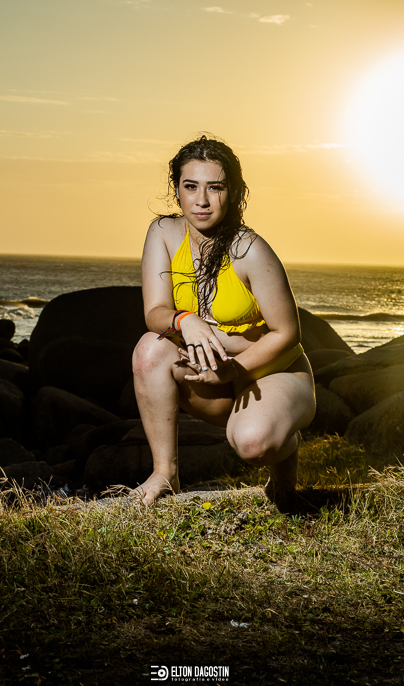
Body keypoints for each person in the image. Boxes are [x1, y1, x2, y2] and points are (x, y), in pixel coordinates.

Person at [132, 135, 316, 505]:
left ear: (234, 193)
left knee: (253, 444)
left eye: (215, 187)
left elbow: (287, 332)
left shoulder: (250, 250)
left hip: (272, 375)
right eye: (191, 186)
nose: (201, 200)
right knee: (149, 350)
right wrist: (186, 320)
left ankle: (284, 445)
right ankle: (165, 473)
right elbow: (155, 313)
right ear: (177, 190)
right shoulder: (163, 234)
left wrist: (232, 369)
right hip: (214, 380)